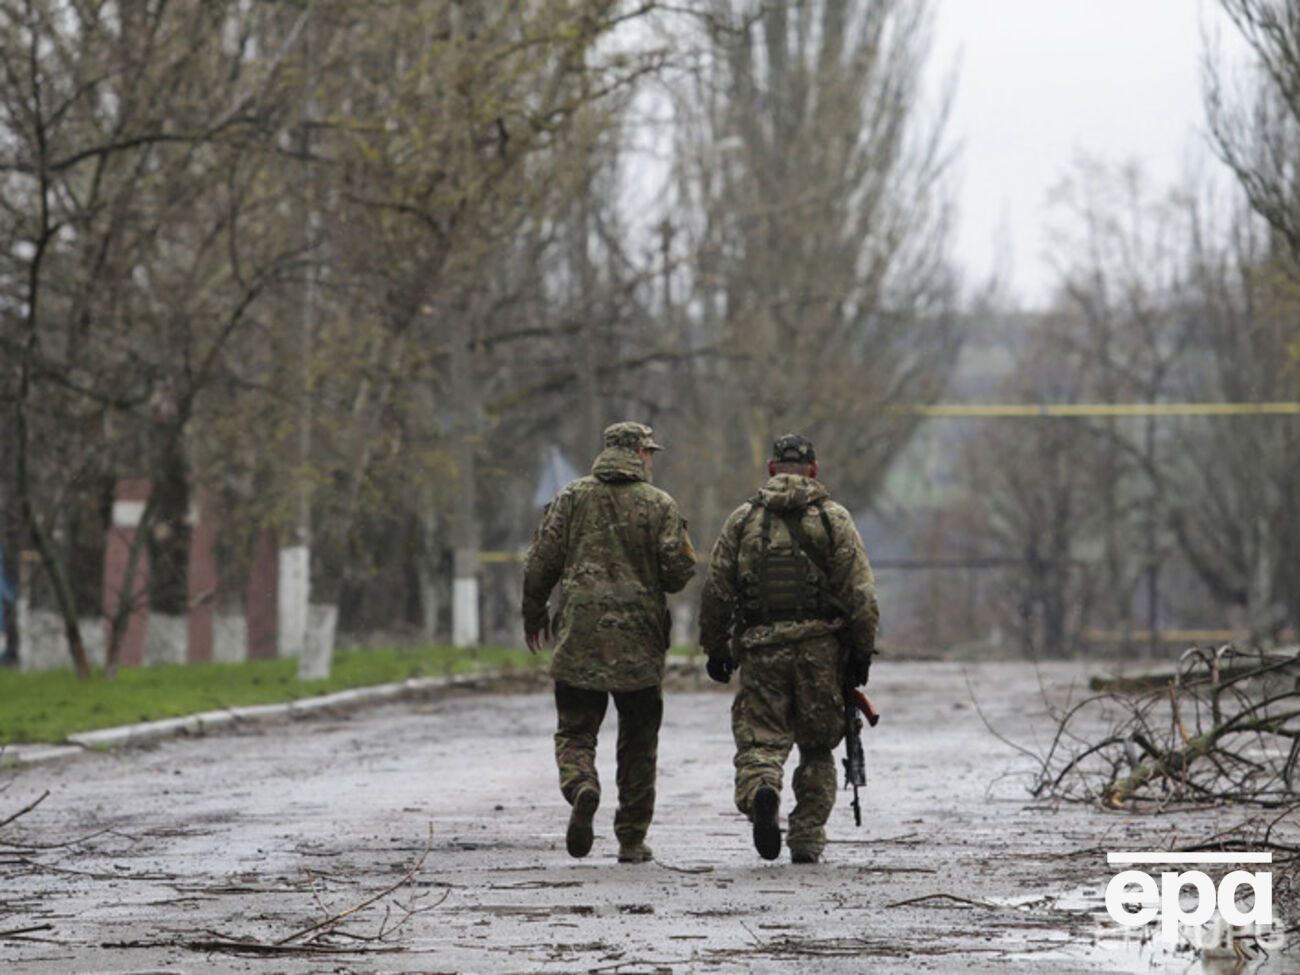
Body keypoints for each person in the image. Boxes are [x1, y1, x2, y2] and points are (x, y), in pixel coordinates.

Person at [698, 434, 878, 864]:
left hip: (762, 651)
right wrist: (862, 649)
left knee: (761, 743)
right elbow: (861, 594)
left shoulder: (742, 521)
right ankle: (807, 837)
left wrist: (715, 648)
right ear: (814, 470)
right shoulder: (834, 520)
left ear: (771, 468)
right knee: (818, 747)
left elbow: (716, 590)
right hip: (820, 652)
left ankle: (763, 788)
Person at [523, 421, 696, 863]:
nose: (652, 459)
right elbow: (678, 575)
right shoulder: (659, 505)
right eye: (650, 452)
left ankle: (582, 785)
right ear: (639, 453)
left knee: (576, 730)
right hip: (639, 641)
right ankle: (632, 838)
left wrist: (533, 614)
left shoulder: (571, 498)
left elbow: (540, 562)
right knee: (639, 742)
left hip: (580, 636)